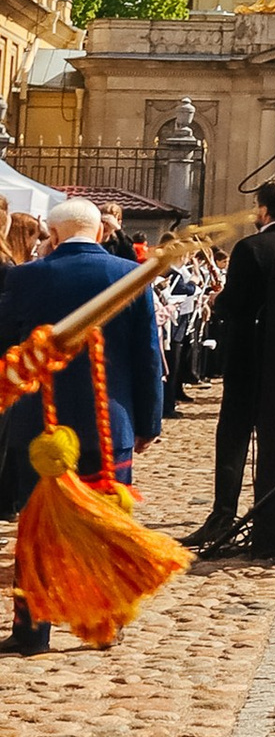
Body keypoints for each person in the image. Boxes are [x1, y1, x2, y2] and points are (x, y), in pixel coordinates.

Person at [2, 200, 165, 652]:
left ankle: (32, 630)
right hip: (109, 422)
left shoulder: (24, 277)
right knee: (107, 524)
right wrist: (150, 420)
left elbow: (7, 347)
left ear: (52, 235)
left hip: (41, 425)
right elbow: (146, 355)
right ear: (98, 233)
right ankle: (106, 623)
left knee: (37, 529)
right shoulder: (129, 276)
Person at [185, 180, 275, 549]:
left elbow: (237, 305)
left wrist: (218, 301)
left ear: (262, 210)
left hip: (247, 358)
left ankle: (223, 516)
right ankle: (271, 513)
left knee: (234, 437)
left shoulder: (251, 247)